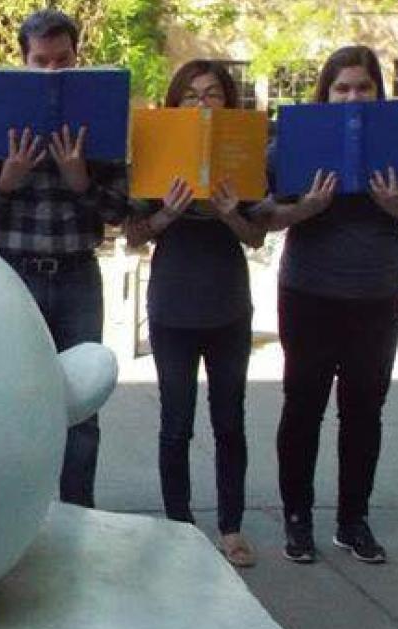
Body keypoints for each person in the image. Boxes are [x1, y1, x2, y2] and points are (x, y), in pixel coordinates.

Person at [259, 45, 398, 564]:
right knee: (303, 406)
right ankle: (297, 518)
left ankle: (353, 520)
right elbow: (263, 217)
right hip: (309, 293)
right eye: (341, 87)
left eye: (363, 87)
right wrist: (306, 208)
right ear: (325, 93)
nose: (352, 96)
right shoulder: (295, 140)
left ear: (377, 92)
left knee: (364, 410)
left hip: (378, 295)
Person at [0, 8, 128, 508]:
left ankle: (78, 513)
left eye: (63, 60)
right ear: (24, 61)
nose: (53, 70)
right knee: (10, 398)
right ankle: (11, 511)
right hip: (15, 273)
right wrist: (6, 180)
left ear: (77, 58)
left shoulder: (101, 119)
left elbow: (119, 210)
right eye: (42, 61)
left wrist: (81, 181)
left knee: (82, 401)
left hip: (77, 273)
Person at [125, 61, 266, 568]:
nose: (201, 103)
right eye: (190, 95)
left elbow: (257, 236)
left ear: (227, 102)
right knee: (176, 422)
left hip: (228, 302)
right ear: (175, 103)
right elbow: (133, 235)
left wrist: (229, 213)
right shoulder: (158, 151)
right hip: (173, 302)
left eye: (211, 94)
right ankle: (178, 525)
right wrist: (167, 212)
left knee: (230, 422)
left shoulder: (243, 153)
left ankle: (231, 527)